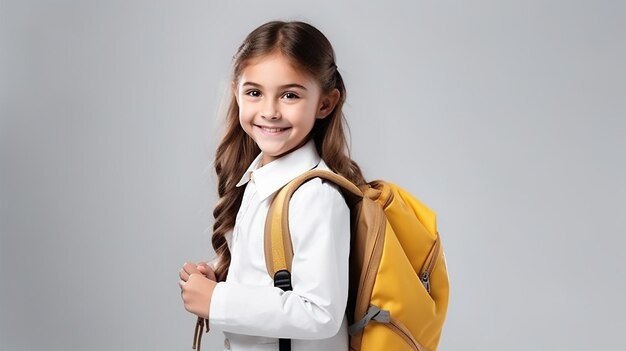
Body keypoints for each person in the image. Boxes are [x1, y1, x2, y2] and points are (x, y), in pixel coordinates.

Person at [179, 20, 366, 351]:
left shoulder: (315, 196)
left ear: (325, 103)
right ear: (237, 92)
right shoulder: (258, 180)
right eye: (254, 93)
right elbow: (273, 282)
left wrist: (219, 301)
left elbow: (320, 312)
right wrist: (222, 281)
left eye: (290, 95)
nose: (269, 111)